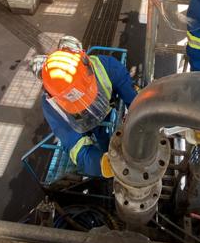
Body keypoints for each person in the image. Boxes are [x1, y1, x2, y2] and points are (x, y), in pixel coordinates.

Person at [30, 38, 137, 177]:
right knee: (100, 150)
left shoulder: (107, 67)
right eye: (77, 103)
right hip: (80, 125)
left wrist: (145, 118)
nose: (84, 105)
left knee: (106, 137)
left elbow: (133, 99)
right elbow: (76, 147)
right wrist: (103, 165)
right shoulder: (52, 107)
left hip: (105, 111)